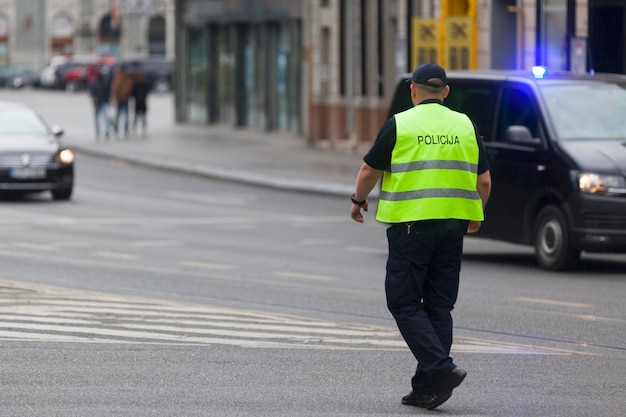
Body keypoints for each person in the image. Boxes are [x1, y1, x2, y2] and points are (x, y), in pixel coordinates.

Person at [350, 63, 491, 410]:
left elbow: (370, 169)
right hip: (452, 227)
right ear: (446, 92)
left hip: (412, 227)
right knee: (439, 306)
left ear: (413, 91)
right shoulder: (466, 125)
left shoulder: (400, 123)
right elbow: (484, 181)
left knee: (403, 301)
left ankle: (441, 369)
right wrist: (475, 213)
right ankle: (428, 387)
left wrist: (357, 200)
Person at [87, 69, 112, 140]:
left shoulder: (104, 82)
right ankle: (98, 132)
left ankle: (106, 130)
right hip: (98, 102)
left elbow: (108, 92)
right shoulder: (95, 82)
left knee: (105, 117)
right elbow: (91, 91)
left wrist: (108, 100)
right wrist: (93, 97)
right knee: (99, 118)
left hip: (103, 101)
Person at [111, 65, 134, 138]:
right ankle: (125, 129)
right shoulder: (128, 78)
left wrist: (115, 97)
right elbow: (130, 87)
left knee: (118, 115)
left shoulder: (118, 78)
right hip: (126, 98)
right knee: (126, 115)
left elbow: (115, 88)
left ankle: (116, 128)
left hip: (119, 98)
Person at [131, 72, 149, 137]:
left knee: (143, 117)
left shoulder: (144, 85)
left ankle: (144, 128)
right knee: (136, 117)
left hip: (143, 103)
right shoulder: (135, 85)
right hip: (137, 103)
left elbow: (147, 91)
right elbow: (133, 93)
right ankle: (134, 128)